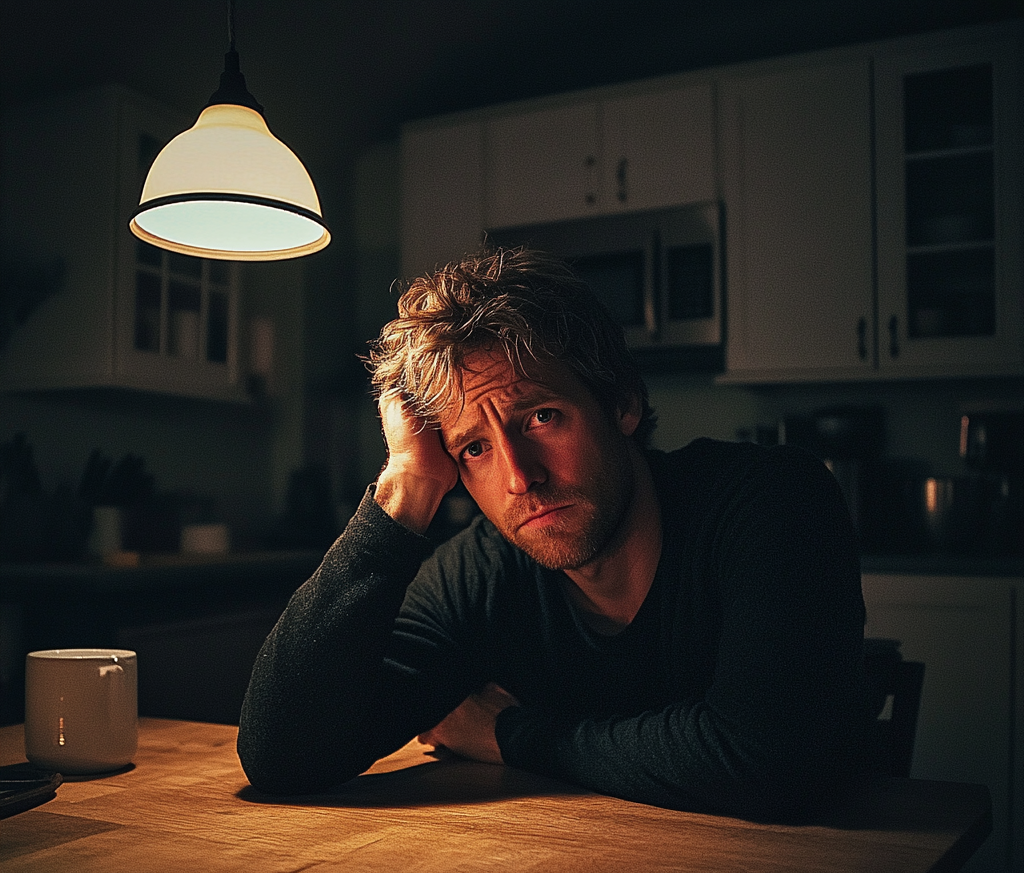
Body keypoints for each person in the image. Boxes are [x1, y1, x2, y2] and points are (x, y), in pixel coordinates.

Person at [237, 247, 870, 821]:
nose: (519, 478)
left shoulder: (769, 504)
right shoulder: (477, 575)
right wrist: (405, 485)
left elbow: (766, 765)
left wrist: (512, 733)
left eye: (542, 417)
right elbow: (283, 756)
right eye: (475, 448)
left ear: (619, 403)